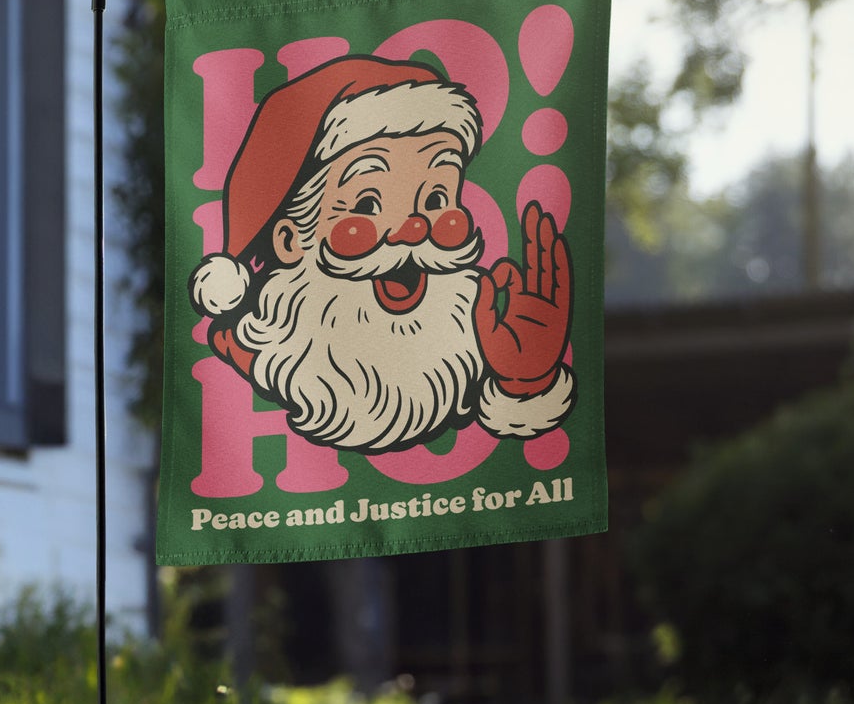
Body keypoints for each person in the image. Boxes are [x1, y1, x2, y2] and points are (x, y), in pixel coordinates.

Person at [188, 55, 575, 454]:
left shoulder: (478, 333)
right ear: (290, 240)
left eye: (437, 198)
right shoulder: (261, 350)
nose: (412, 230)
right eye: (368, 203)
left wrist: (526, 385)